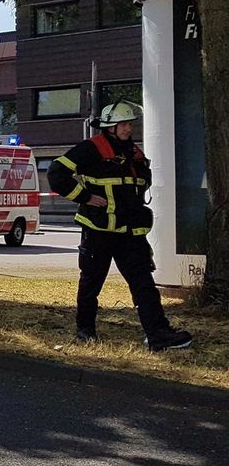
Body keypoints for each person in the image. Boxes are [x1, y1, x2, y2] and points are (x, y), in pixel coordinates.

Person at [47, 101, 192, 351]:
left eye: (130, 124)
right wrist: (85, 197)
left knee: (143, 283)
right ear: (110, 127)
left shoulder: (133, 153)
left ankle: (158, 335)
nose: (128, 128)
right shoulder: (90, 149)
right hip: (99, 229)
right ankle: (85, 331)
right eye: (123, 124)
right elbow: (56, 173)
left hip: (130, 233)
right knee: (92, 282)